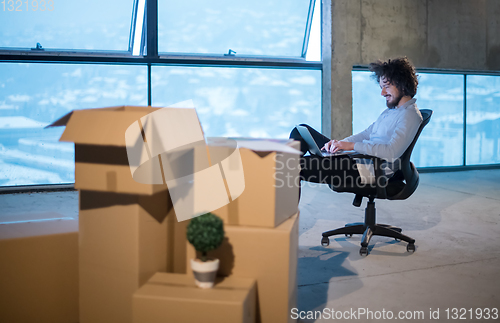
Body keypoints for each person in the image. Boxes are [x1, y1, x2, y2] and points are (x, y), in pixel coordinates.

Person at [290, 56, 422, 188]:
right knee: (300, 131)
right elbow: (366, 134)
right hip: (357, 159)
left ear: (403, 85)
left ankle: (287, 207)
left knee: (294, 165)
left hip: (370, 170)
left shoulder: (409, 115)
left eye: (386, 87)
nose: (382, 93)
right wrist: (340, 145)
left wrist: (351, 146)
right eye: (382, 87)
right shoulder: (391, 111)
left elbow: (391, 152)